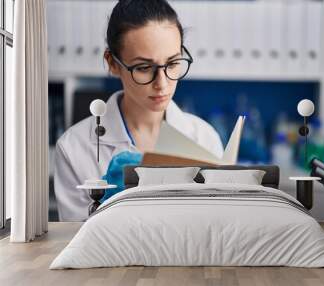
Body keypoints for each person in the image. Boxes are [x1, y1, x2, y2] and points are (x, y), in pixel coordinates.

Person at [54, 0, 224, 222]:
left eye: (172, 63)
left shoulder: (204, 138)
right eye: (144, 68)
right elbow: (76, 243)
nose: (162, 84)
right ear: (112, 63)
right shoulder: (74, 148)